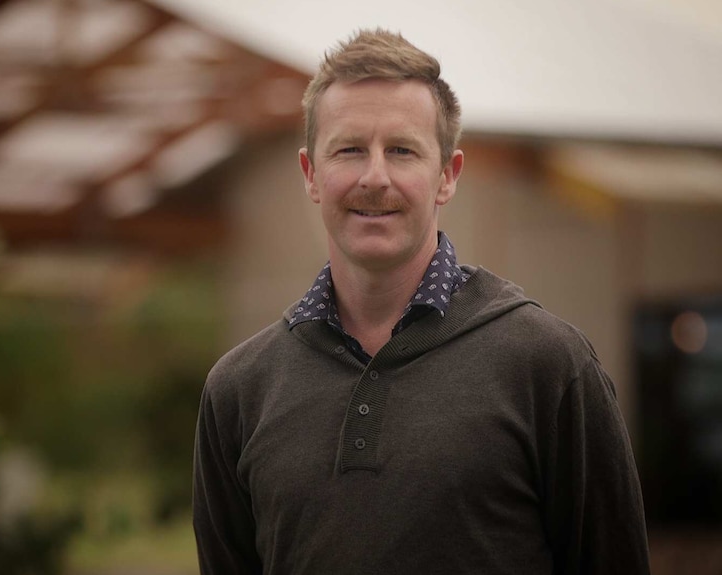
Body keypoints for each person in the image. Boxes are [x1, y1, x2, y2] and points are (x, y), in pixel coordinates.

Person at [192, 28, 650, 574]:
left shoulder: (549, 365)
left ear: (446, 176)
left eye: (403, 150)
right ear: (312, 174)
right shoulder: (239, 390)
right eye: (350, 149)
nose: (375, 176)